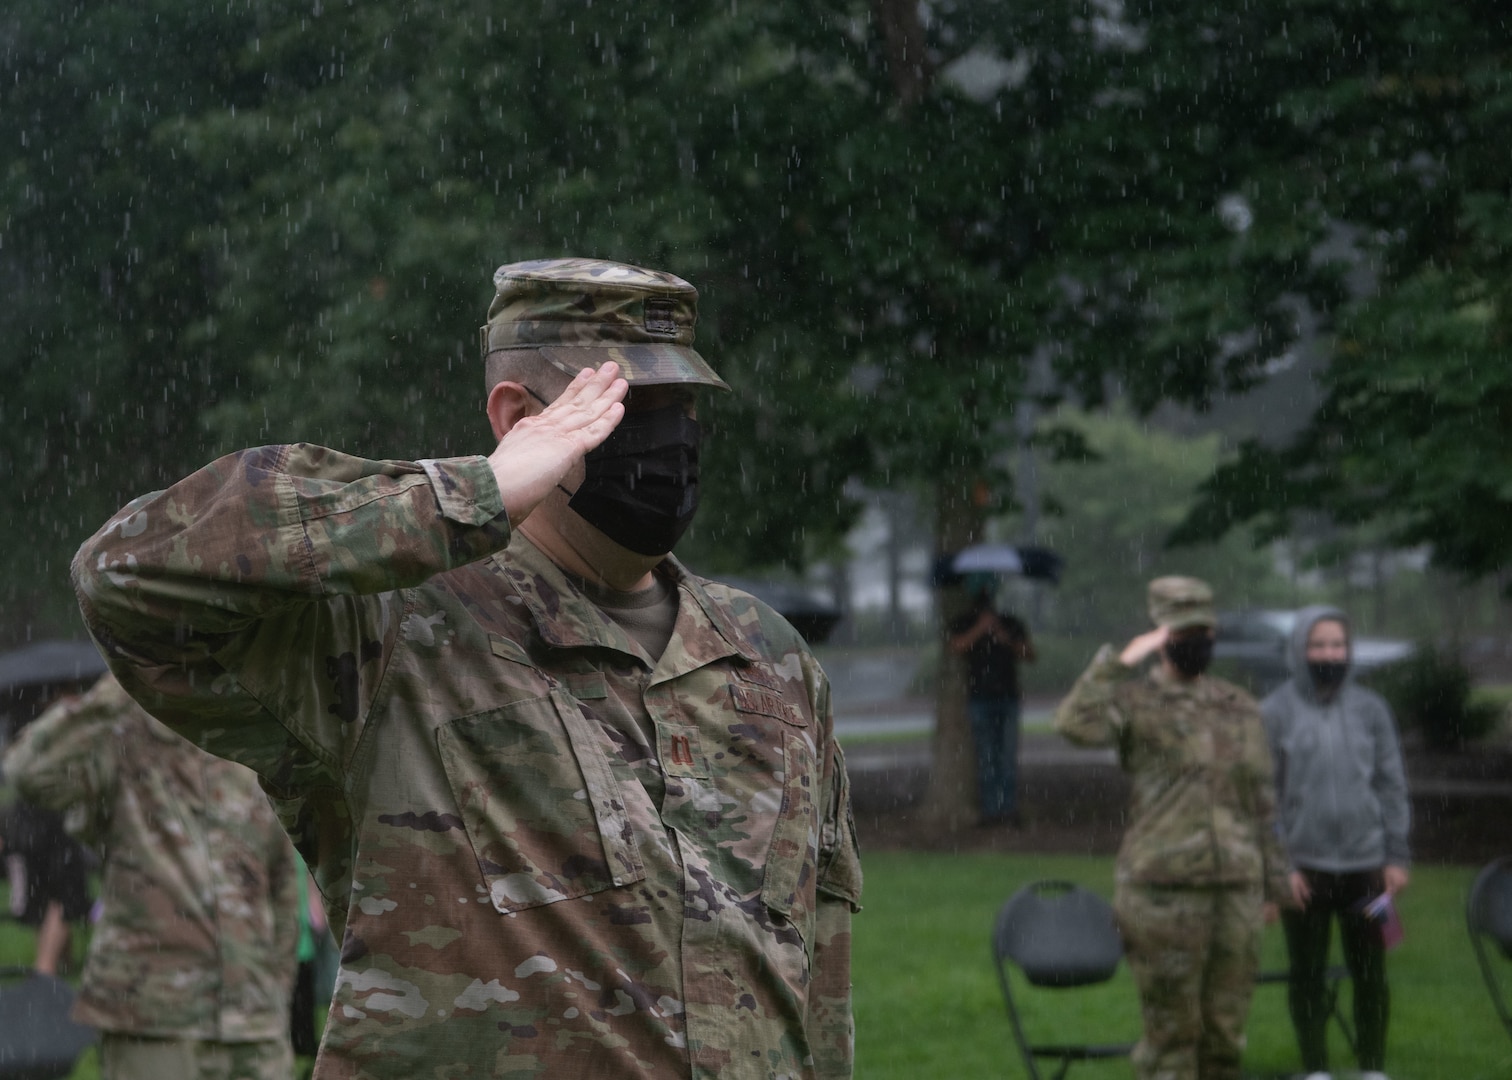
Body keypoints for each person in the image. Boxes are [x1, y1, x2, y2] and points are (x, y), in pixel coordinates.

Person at [72, 257, 863, 1079]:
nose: (671, 439)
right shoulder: (395, 631)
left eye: (684, 407)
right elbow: (124, 574)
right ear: (519, 414)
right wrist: (474, 493)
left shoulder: (768, 656)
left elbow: (820, 973)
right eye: (628, 405)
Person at [3, 671, 299, 1079]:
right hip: (153, 1020)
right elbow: (27, 772)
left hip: (253, 1025)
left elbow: (283, 883)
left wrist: (274, 989)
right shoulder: (121, 737)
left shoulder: (247, 744)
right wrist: (121, 683)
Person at [1053, 576, 1289, 1080]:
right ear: (1161, 638)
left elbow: (1262, 801)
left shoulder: (1238, 705)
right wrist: (1118, 663)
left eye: (1204, 631)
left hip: (1237, 891)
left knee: (1225, 1034)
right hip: (1162, 892)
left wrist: (1274, 882)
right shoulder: (1134, 704)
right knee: (1172, 1039)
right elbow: (1074, 724)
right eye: (1183, 633)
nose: (1197, 642)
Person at [1261, 607, 1410, 1080]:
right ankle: (1316, 1069)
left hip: (1369, 872)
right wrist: (1280, 867)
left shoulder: (1371, 710)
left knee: (1372, 973)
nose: (1329, 654)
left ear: (1349, 651)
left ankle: (1372, 1068)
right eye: (1319, 644)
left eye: (1338, 645)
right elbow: (1262, 798)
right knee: (1306, 973)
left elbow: (1391, 785)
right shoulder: (1274, 711)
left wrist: (1396, 855)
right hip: (1304, 871)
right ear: (1300, 650)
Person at [947, 584, 1035, 824]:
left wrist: (1004, 637)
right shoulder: (964, 622)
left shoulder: (1010, 623)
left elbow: (1030, 654)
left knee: (1007, 756)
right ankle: (990, 811)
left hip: (1008, 698)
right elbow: (957, 647)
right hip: (979, 698)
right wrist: (980, 629)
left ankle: (1008, 809)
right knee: (986, 756)